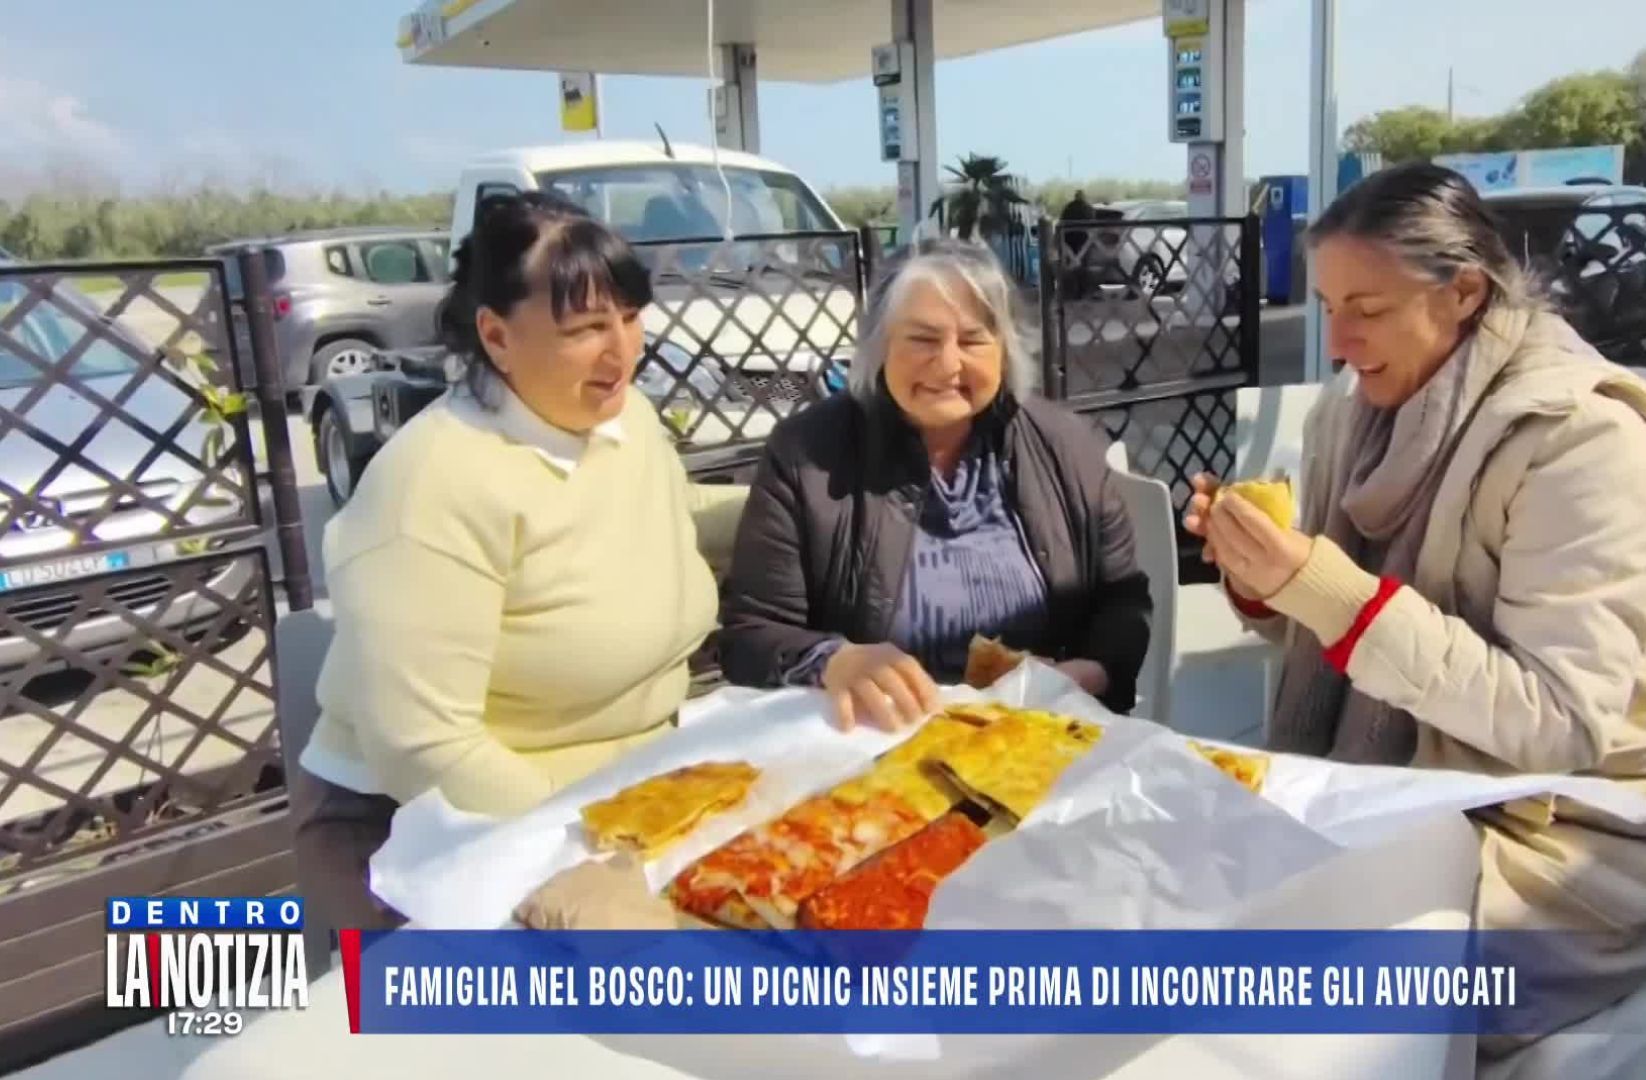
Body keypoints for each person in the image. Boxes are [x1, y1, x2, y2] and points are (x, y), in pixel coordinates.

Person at [1184, 163, 1646, 1048]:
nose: (1338, 341)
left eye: (1368, 308)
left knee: (1278, 1014)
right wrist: (1262, 581)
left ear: (1464, 292)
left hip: (1569, 845)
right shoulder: (1348, 414)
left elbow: (1559, 724)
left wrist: (1326, 591)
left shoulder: (1585, 440)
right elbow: (1320, 626)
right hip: (1392, 800)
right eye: (1327, 307)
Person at [293, 191, 746, 930]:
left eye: (629, 320)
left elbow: (666, 513)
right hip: (431, 831)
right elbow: (427, 745)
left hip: (617, 796)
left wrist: (796, 505)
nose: (622, 353)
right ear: (496, 338)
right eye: (586, 330)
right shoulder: (434, 482)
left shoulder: (620, 415)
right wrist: (587, 850)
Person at [720, 239, 1152, 727]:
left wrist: (1084, 675)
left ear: (1005, 351)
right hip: (875, 742)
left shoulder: (1065, 446)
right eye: (923, 340)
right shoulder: (806, 456)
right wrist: (833, 660)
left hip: (1034, 732)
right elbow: (750, 636)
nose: (949, 365)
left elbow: (1122, 600)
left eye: (972, 340)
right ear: (879, 346)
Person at [1059, 189, 1096, 299]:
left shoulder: (1068, 207)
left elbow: (1062, 221)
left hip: (1069, 240)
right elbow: (1092, 222)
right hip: (1083, 240)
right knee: (1083, 265)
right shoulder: (1087, 208)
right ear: (1083, 196)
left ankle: (1071, 290)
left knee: (1072, 265)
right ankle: (1083, 291)